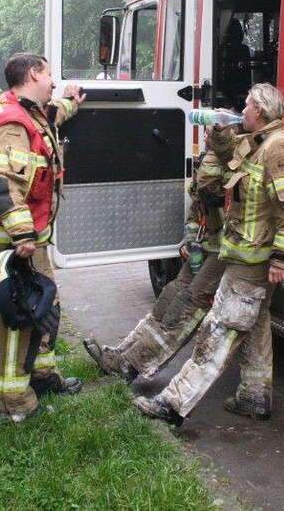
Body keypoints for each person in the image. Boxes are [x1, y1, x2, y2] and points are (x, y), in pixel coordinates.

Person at [134, 83, 284, 426]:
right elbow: (232, 157)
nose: (242, 111)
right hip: (246, 254)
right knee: (255, 323)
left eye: (247, 105)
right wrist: (219, 131)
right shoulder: (260, 142)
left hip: (254, 260)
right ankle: (254, 397)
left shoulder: (278, 148)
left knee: (219, 330)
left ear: (260, 111)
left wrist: (281, 258)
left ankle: (173, 404)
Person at [0, 52, 86, 422]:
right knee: (14, 322)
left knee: (45, 307)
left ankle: (42, 377)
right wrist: (22, 235)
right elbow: (1, 183)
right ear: (33, 73)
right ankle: (12, 404)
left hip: (29, 242)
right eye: (49, 75)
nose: (53, 81)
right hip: (10, 245)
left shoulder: (26, 111)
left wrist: (71, 102)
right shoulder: (12, 123)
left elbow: (50, 116)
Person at [83, 135, 229, 382]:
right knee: (170, 292)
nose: (205, 135)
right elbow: (195, 214)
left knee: (187, 303)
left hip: (225, 252)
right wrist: (191, 240)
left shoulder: (230, 178)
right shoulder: (205, 175)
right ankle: (123, 353)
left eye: (211, 131)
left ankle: (133, 365)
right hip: (205, 247)